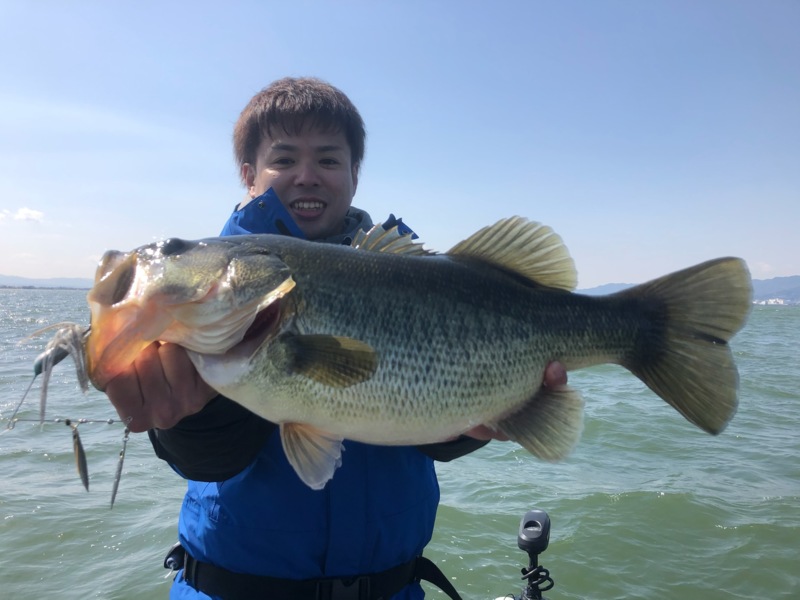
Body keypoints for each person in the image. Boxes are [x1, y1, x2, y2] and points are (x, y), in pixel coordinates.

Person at [105, 77, 568, 600]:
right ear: (248, 174)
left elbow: (421, 421)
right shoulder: (203, 301)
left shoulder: (411, 269)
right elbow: (203, 461)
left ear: (354, 173)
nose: (307, 176)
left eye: (328, 160)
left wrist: (476, 422)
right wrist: (193, 413)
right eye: (284, 160)